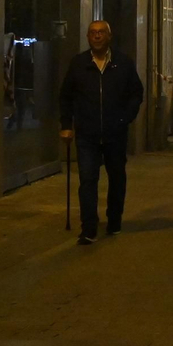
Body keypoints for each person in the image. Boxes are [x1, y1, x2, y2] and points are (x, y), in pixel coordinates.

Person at [58, 20, 144, 245]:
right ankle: (89, 227)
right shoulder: (78, 64)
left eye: (101, 32)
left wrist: (125, 118)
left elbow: (136, 93)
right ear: (88, 37)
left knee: (117, 177)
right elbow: (66, 96)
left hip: (115, 132)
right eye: (93, 33)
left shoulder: (123, 63)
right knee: (87, 179)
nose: (97, 36)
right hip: (87, 133)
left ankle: (114, 219)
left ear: (109, 36)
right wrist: (66, 125)